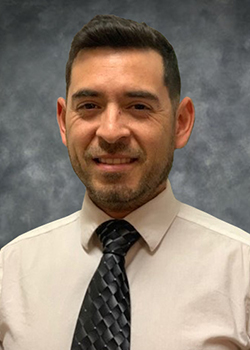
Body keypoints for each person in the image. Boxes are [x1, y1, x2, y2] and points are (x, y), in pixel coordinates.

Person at [0, 14, 250, 350]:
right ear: (63, 121)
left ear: (181, 123)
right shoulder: (9, 272)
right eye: (89, 106)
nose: (111, 131)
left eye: (138, 106)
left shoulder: (242, 274)